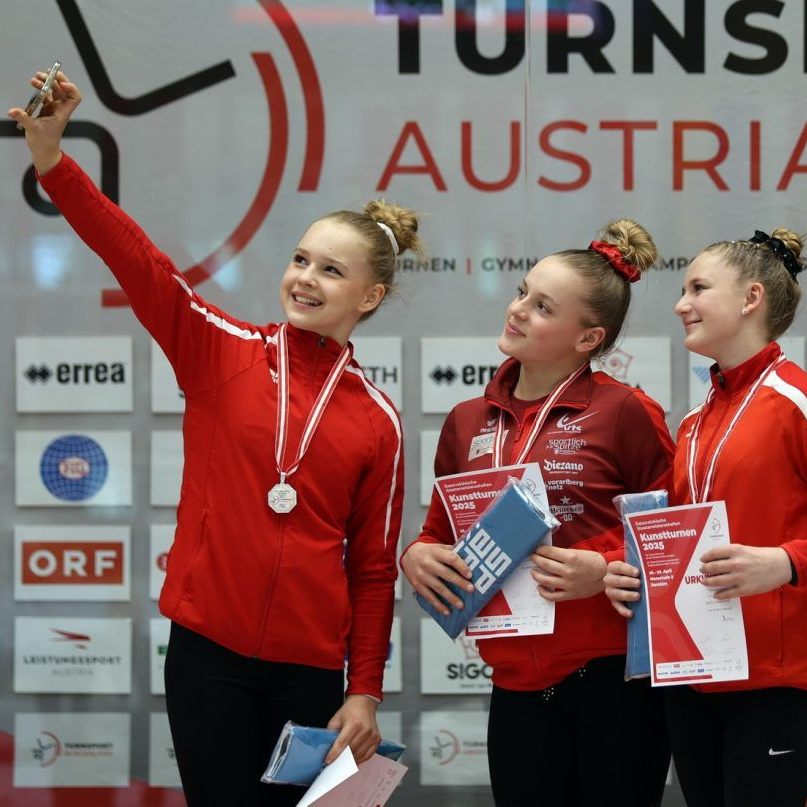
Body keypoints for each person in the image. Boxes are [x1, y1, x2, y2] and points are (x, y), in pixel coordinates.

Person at [9, 70, 422, 806]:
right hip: (208, 656)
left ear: (369, 296)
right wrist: (53, 162)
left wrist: (363, 691)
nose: (304, 278)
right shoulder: (221, 348)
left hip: (308, 670)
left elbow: (371, 570)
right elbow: (141, 264)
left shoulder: (379, 419)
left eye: (331, 270)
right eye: (299, 259)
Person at [401, 221, 675, 806]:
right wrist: (417, 554)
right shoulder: (466, 419)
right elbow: (439, 532)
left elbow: (675, 535)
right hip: (514, 683)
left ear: (587, 338)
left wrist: (601, 570)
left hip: (614, 680)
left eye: (543, 306)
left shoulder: (627, 411)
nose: (518, 309)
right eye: (523, 292)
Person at [604, 230, 807, 807]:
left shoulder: (796, 402)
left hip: (776, 682)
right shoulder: (694, 421)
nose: (680, 304)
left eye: (698, 288)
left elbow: (782, 554)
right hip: (692, 674)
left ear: (751, 298)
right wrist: (627, 567)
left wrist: (785, 562)